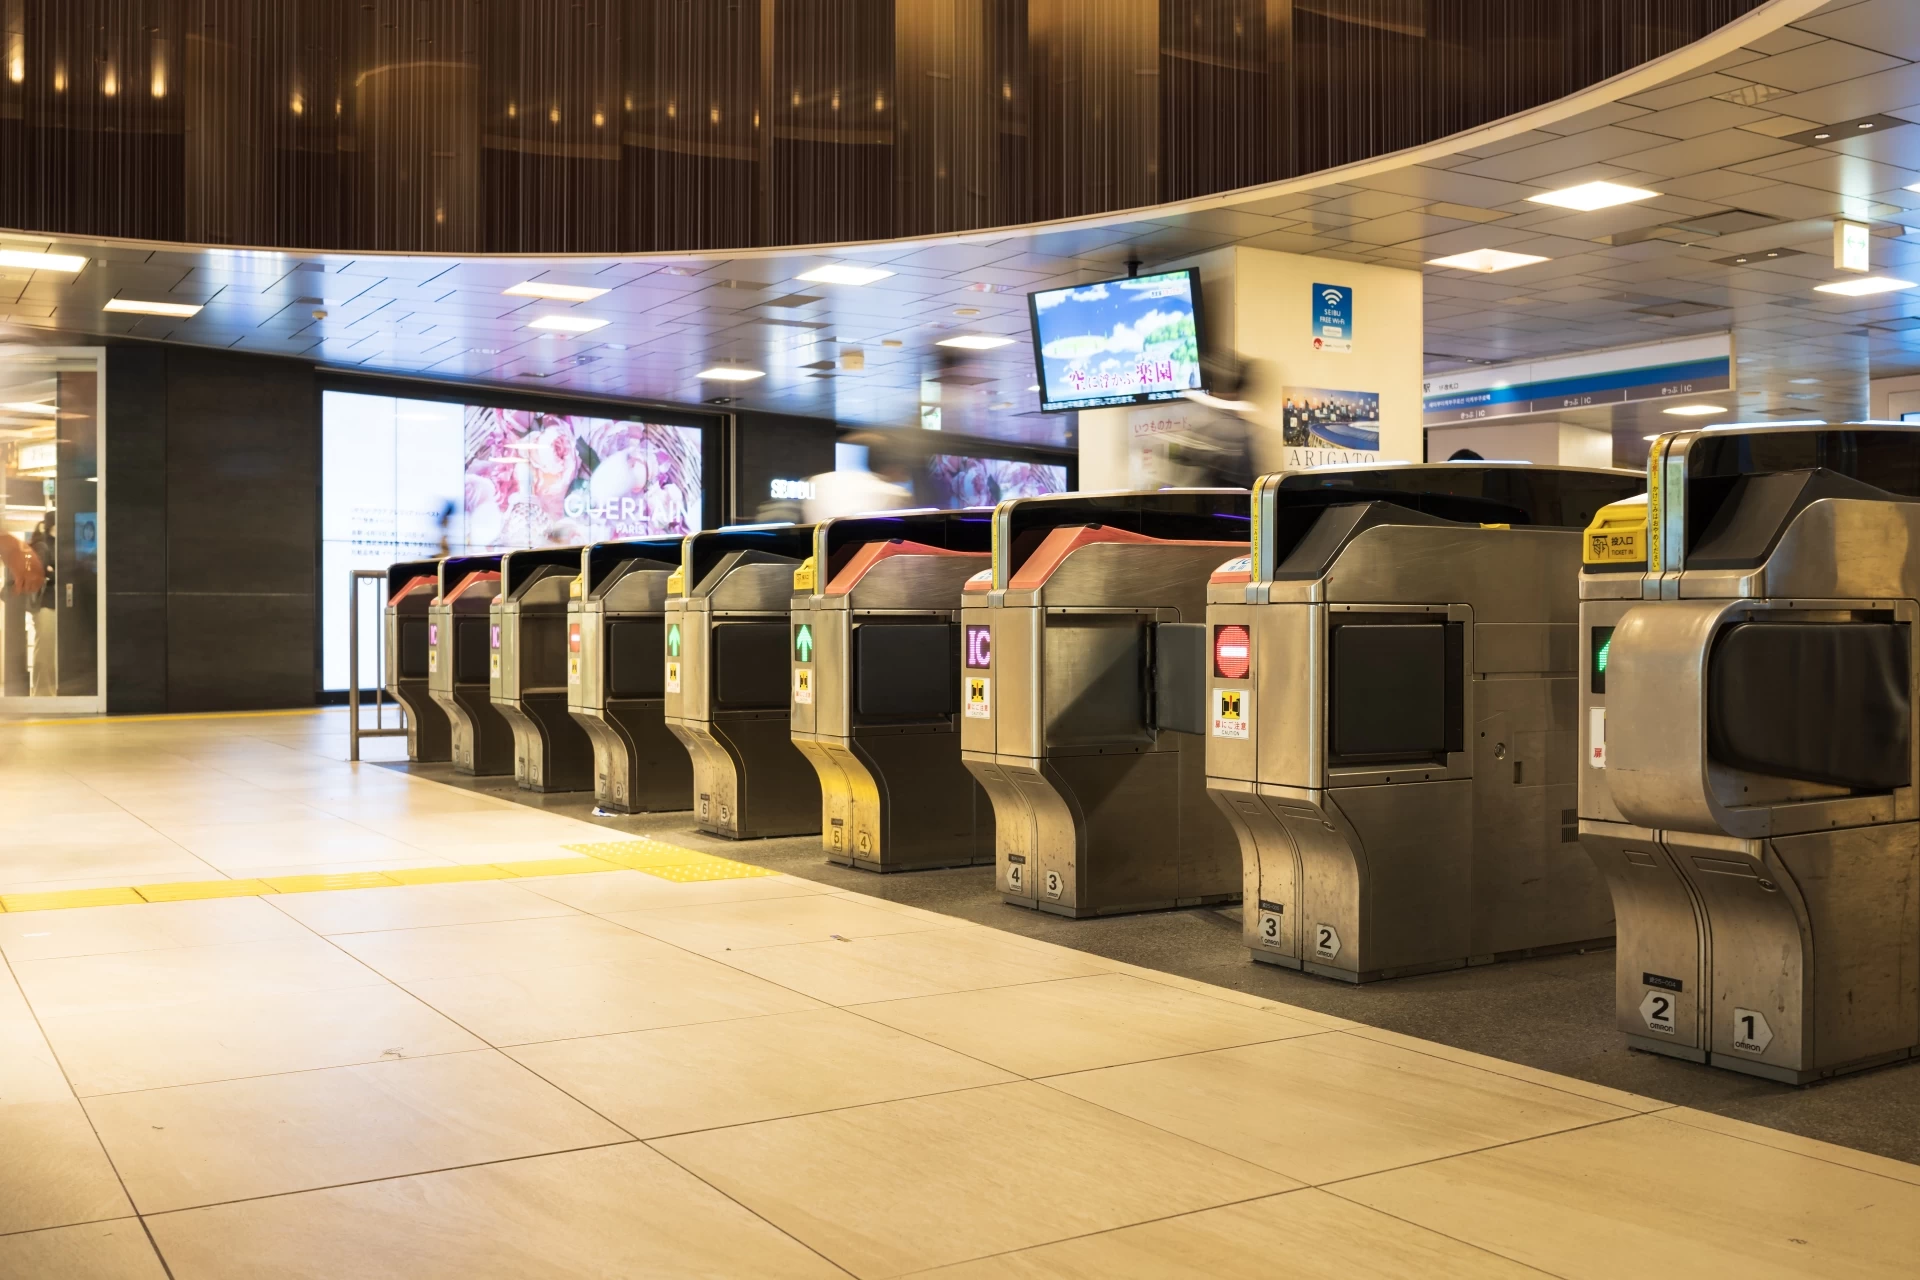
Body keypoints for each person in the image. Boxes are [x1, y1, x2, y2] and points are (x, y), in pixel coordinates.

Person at [29, 513, 55, 695]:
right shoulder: (43, 545)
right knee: (45, 651)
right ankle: (43, 694)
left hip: (54, 603)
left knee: (50, 651)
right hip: (45, 604)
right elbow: (41, 572)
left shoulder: (54, 543)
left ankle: (49, 692)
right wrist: (52, 573)